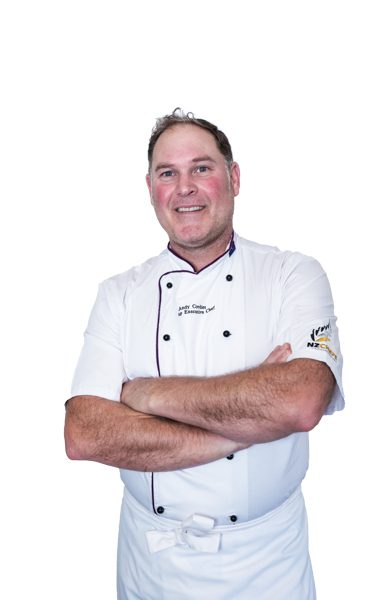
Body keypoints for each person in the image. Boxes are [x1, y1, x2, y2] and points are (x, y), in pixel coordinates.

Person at [64, 108, 344, 599]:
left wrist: (146, 395)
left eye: (201, 168)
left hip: (266, 563)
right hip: (151, 564)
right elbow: (84, 434)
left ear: (233, 178)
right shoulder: (119, 294)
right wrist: (251, 423)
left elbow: (300, 404)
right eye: (167, 173)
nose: (185, 188)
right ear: (150, 188)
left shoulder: (292, 275)